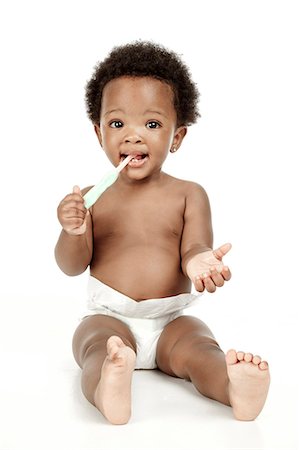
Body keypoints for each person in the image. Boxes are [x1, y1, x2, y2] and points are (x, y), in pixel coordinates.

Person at [55, 41, 270, 425]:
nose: (133, 136)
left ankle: (232, 386)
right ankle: (107, 388)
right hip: (109, 316)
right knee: (94, 347)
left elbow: (194, 248)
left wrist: (201, 261)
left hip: (171, 318)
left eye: (151, 124)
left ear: (177, 136)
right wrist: (73, 231)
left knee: (200, 347)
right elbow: (72, 266)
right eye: (117, 124)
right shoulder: (89, 198)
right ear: (98, 132)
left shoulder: (189, 194)